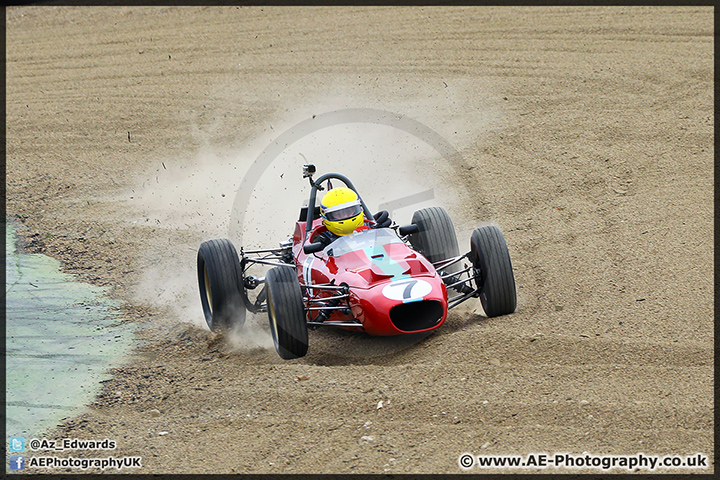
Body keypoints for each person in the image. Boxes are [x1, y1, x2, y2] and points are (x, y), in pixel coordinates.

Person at [314, 187, 391, 247]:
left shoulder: (373, 228)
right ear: (326, 216)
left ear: (359, 208)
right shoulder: (323, 239)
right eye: (338, 214)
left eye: (348, 212)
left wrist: (379, 232)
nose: (345, 216)